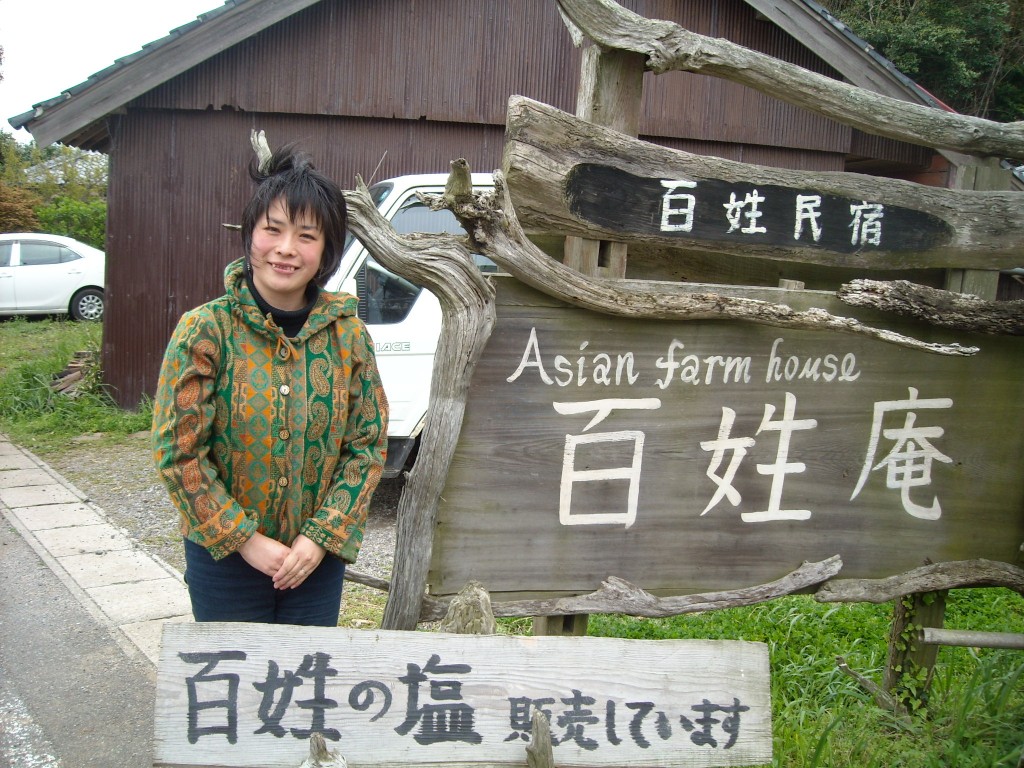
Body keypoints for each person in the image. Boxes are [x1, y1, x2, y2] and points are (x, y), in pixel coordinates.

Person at [151, 142, 388, 626]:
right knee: (233, 692)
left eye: (306, 236)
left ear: (326, 251)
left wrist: (320, 537)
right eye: (272, 230)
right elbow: (178, 451)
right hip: (225, 559)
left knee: (304, 690)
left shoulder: (347, 336)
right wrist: (245, 540)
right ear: (250, 235)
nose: (285, 249)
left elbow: (367, 445)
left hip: (313, 563)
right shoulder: (206, 330)